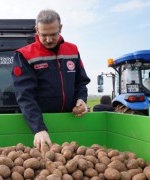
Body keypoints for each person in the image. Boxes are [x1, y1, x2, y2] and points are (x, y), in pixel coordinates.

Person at [11, 9, 91, 150]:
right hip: (41, 122)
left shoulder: (72, 50)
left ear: (60, 28)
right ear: (36, 30)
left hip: (70, 121)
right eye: (44, 35)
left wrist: (81, 98)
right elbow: (25, 95)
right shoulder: (24, 55)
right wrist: (38, 128)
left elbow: (81, 81)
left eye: (53, 34)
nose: (48, 40)